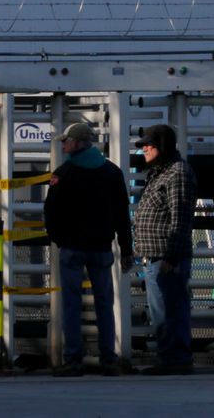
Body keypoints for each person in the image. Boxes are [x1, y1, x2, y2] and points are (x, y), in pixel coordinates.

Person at [44, 123, 135, 377]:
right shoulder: (112, 172)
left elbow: (50, 212)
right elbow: (121, 215)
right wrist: (126, 249)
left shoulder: (64, 173)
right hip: (102, 249)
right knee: (105, 304)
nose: (63, 145)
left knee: (71, 305)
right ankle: (109, 359)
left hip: (72, 248)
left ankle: (73, 360)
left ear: (77, 143)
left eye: (66, 141)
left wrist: (58, 238)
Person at [133, 124, 197, 375]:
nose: (144, 149)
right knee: (162, 310)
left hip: (166, 256)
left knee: (170, 309)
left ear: (163, 146)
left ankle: (175, 359)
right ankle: (169, 357)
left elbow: (180, 218)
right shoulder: (161, 172)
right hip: (156, 256)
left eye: (149, 144)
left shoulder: (177, 173)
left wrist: (171, 255)